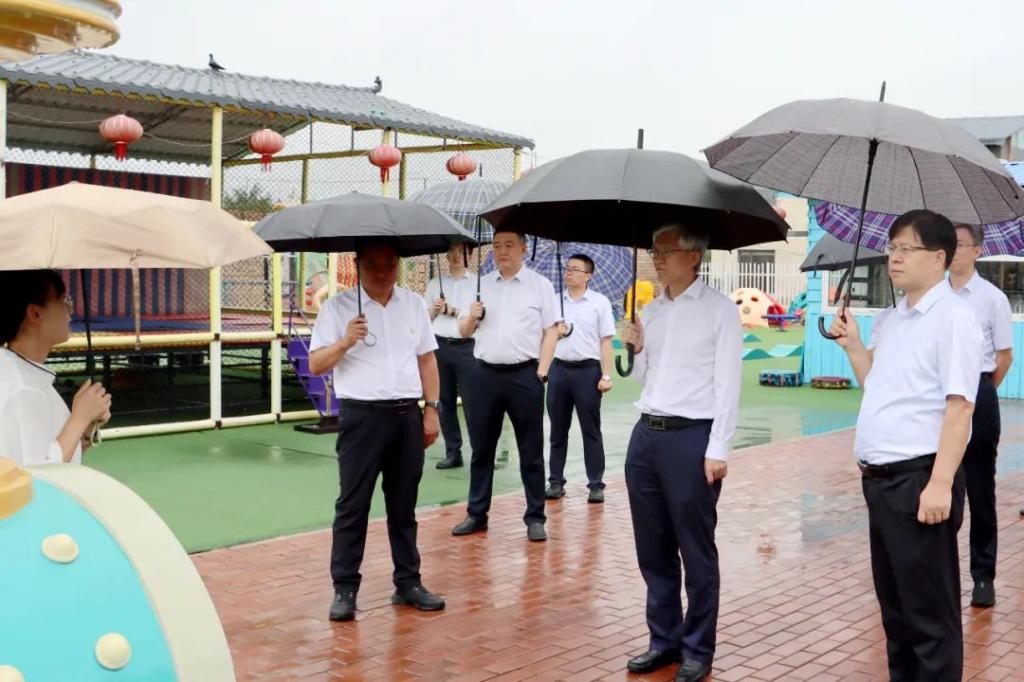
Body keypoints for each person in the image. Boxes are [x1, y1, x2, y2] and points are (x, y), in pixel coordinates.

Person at [830, 210, 982, 681]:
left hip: (919, 482)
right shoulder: (894, 319)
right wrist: (854, 346)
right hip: (880, 483)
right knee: (896, 613)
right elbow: (876, 385)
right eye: (892, 248)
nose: (893, 257)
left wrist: (939, 484)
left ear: (938, 258)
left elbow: (960, 407)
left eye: (906, 249)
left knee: (929, 617)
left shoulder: (954, 319)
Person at [620, 225, 741, 682]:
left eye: (666, 251)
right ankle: (664, 640)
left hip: (692, 438)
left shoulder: (718, 310)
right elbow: (643, 376)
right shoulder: (651, 311)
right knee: (652, 549)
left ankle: (697, 648)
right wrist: (635, 347)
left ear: (693, 257)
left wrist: (718, 447)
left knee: (696, 550)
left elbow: (728, 383)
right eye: (654, 251)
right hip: (647, 436)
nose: (657, 259)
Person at [309, 240, 445, 622]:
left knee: (404, 505)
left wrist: (431, 410)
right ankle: (345, 588)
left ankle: (408, 582)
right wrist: (345, 340)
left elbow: (427, 359)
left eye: (390, 263)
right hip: (362, 418)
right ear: (358, 265)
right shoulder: (337, 308)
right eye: (373, 264)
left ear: (398, 265)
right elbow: (316, 364)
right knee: (353, 505)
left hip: (406, 416)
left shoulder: (413, 305)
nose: (383, 271)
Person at [451, 229, 559, 542]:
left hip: (525, 376)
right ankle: (476, 514)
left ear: (524, 248)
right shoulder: (481, 284)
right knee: (481, 449)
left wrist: (541, 372)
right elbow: (463, 331)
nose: (502, 251)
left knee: (531, 450)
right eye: (497, 246)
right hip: (484, 375)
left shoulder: (539, 285)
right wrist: (472, 317)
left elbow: (551, 332)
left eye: (509, 245)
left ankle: (535, 517)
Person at [948, 223, 1013, 608]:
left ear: (977, 250)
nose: (954, 251)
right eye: (949, 244)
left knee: (980, 489)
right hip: (939, 397)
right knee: (937, 483)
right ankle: (935, 574)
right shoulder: (934, 295)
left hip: (978, 391)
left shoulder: (992, 298)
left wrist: (980, 390)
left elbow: (1004, 357)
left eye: (961, 244)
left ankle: (983, 576)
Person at [0, 270, 111, 467]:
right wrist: (79, 419)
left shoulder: (17, 371)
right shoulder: (23, 389)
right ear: (35, 313)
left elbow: (52, 450)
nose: (70, 311)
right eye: (63, 301)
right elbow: (40, 473)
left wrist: (84, 428)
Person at [545, 254, 615, 503]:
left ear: (588, 275)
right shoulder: (554, 302)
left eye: (575, 269)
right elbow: (544, 337)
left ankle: (596, 484)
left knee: (591, 429)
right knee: (557, 429)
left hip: (587, 372)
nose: (569, 272)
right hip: (559, 370)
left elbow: (606, 341)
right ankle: (555, 481)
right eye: (567, 268)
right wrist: (557, 333)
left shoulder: (599, 303)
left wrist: (606, 375)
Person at [424, 243, 478, 470]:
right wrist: (436, 310)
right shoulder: (435, 284)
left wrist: (452, 310)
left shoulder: (477, 284)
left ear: (470, 255)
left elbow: (477, 317)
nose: (456, 256)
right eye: (452, 252)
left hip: (467, 347)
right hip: (440, 345)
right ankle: (453, 452)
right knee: (444, 400)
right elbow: (425, 318)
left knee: (472, 402)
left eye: (462, 252)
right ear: (446, 256)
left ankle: (480, 452)